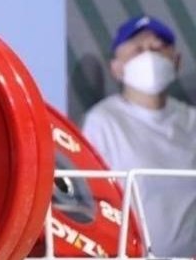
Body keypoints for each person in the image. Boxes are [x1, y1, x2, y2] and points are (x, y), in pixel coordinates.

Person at [82, 15, 196, 258]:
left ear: (176, 61)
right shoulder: (102, 122)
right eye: (138, 50)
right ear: (116, 67)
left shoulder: (192, 121)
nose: (149, 57)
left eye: (157, 48)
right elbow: (90, 201)